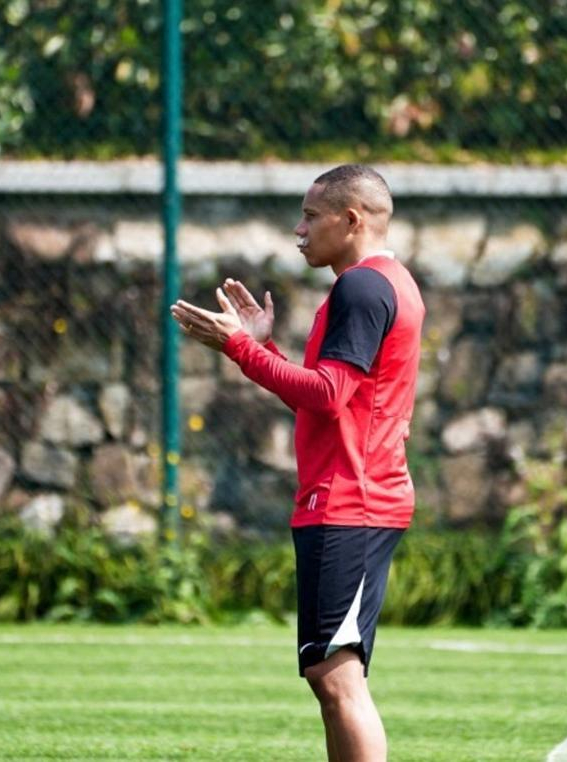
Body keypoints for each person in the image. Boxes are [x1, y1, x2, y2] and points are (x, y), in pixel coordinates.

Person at [171, 164, 425, 762]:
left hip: (353, 499)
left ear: (351, 220)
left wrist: (239, 347)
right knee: (329, 673)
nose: (299, 230)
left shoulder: (362, 289)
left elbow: (328, 395)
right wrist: (261, 348)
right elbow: (330, 398)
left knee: (337, 675)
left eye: (311, 216)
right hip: (348, 498)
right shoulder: (381, 284)